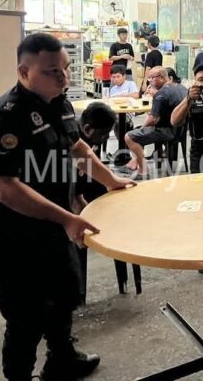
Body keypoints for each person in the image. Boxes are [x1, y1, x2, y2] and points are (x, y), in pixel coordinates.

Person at [0, 33, 133, 381]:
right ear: (24, 72)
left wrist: (110, 181)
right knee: (26, 317)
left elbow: (77, 147)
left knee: (63, 295)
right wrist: (67, 218)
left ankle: (62, 359)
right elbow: (4, 188)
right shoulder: (1, 119)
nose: (63, 77)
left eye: (65, 68)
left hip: (57, 224)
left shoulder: (59, 104)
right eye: (52, 71)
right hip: (16, 235)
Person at [70, 102, 138, 302]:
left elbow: (94, 169)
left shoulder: (94, 137)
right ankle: (77, 291)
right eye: (103, 134)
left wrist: (112, 184)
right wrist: (88, 216)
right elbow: (74, 194)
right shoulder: (71, 141)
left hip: (85, 180)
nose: (105, 139)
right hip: (65, 189)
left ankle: (124, 276)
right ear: (87, 129)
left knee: (118, 210)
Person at [124, 67, 186, 177]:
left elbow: (153, 119)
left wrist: (142, 128)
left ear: (161, 77)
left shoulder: (161, 94)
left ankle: (143, 171)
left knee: (129, 136)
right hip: (181, 130)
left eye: (152, 78)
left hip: (165, 131)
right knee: (138, 131)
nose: (150, 81)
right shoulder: (181, 88)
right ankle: (134, 162)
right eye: (149, 78)